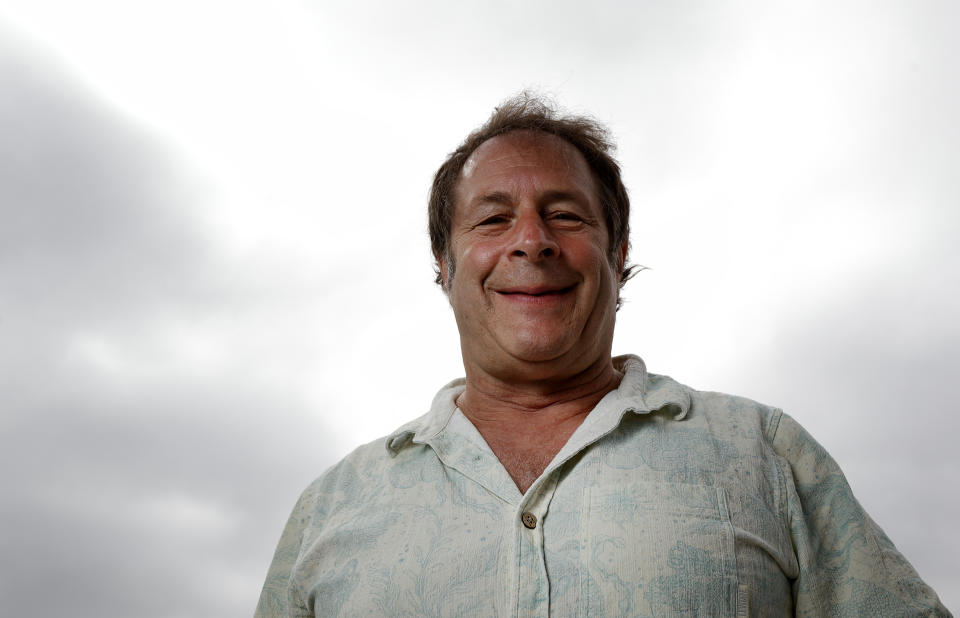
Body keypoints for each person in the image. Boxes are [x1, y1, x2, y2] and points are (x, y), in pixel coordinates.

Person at [255, 94, 949, 616]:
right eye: (494, 218)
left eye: (566, 214)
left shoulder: (764, 454)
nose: (532, 240)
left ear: (617, 255)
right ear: (445, 262)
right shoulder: (333, 508)